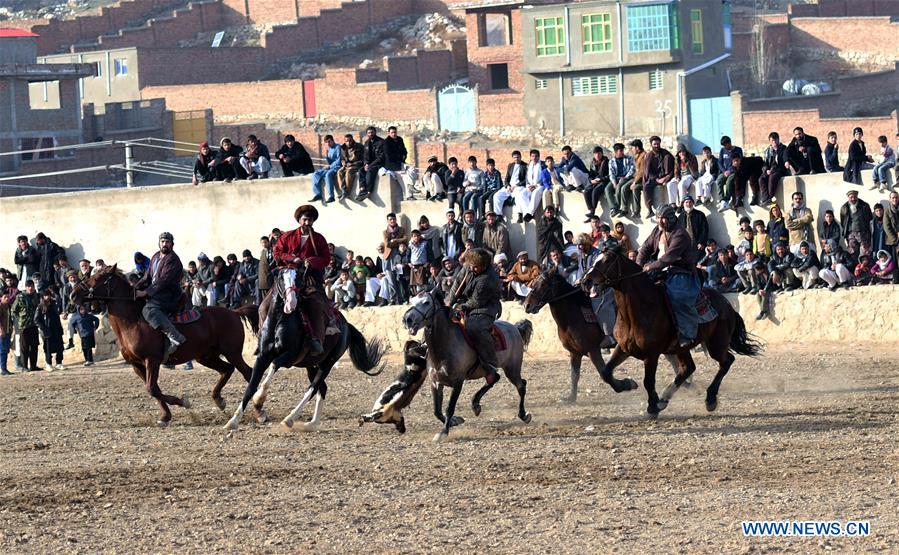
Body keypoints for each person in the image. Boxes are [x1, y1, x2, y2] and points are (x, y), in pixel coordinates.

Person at [636, 205, 700, 347]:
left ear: (670, 218)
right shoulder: (657, 230)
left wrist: (649, 267)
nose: (660, 221)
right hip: (659, 270)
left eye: (663, 218)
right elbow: (645, 247)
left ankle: (687, 334)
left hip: (680, 271)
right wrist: (638, 264)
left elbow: (669, 257)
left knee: (677, 297)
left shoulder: (680, 234)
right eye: (658, 218)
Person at [272, 205, 332, 355]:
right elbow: (277, 252)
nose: (307, 223)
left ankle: (318, 336)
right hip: (288, 274)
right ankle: (264, 335)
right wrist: (293, 258)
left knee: (317, 302)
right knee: (268, 303)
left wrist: (311, 261)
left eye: (310, 220)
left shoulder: (319, 239)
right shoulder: (287, 236)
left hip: (309, 277)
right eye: (304, 219)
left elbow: (326, 258)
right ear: (299, 220)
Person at [446, 248, 502, 385]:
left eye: (475, 267)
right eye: (470, 265)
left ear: (484, 266)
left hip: (485, 307)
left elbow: (476, 301)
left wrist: (460, 308)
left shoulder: (488, 278)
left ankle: (490, 364)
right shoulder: (468, 266)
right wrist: (448, 303)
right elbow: (457, 284)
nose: (471, 268)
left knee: (474, 328)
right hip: (464, 303)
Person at [134, 232, 187, 357]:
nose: (165, 244)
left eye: (167, 242)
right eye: (162, 241)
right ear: (159, 243)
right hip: (157, 293)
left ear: (172, 244)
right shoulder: (155, 256)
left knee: (149, 309)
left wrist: (145, 292)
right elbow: (148, 276)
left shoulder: (173, 260)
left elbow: (163, 281)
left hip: (169, 295)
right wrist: (135, 288)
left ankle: (175, 336)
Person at [642, 136, 675, 219]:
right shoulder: (649, 155)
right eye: (654, 144)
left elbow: (673, 168)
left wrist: (667, 177)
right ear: (651, 145)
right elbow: (647, 172)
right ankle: (650, 209)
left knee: (667, 158)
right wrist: (657, 179)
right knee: (646, 186)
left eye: (658, 144)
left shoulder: (665, 153)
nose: (656, 145)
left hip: (666, 177)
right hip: (655, 179)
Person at [11, 279, 40, 371]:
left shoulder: (37, 296)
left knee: (34, 346)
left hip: (34, 324)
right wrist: (20, 319)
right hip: (24, 326)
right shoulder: (20, 297)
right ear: (26, 287)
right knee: (25, 347)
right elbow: (14, 310)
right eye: (28, 286)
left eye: (32, 286)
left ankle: (33, 366)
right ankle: (24, 366)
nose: (30, 288)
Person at [515, 149, 549, 223]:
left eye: (536, 156)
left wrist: (536, 185)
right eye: (533, 156)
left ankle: (530, 213)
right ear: (530, 157)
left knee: (535, 194)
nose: (534, 158)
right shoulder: (529, 165)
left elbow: (545, 177)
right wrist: (528, 185)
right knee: (522, 194)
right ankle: (528, 212)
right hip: (530, 186)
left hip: (540, 186)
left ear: (539, 157)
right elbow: (527, 177)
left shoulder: (543, 165)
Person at [35, 288, 65, 370]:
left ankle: (59, 363)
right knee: (48, 348)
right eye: (45, 295)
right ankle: (48, 364)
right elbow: (37, 320)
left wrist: (60, 327)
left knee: (60, 346)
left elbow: (57, 316)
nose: (47, 297)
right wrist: (44, 329)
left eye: (48, 295)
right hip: (47, 330)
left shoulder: (54, 304)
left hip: (56, 328)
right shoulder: (40, 306)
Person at [491, 151, 527, 216]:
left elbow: (526, 180)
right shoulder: (510, 165)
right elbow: (506, 178)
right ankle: (498, 215)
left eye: (518, 157)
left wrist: (516, 186)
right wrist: (508, 186)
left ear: (521, 157)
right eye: (514, 157)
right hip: (509, 187)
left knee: (519, 196)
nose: (516, 159)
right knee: (497, 196)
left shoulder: (525, 166)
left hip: (519, 187)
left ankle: (520, 214)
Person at [840, 190, 873, 256]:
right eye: (851, 197)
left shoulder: (864, 205)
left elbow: (870, 218)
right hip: (851, 234)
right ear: (848, 197)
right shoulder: (844, 207)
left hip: (863, 233)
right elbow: (843, 221)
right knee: (853, 253)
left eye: (855, 197)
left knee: (865, 253)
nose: (853, 199)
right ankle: (854, 266)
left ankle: (864, 266)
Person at [607, 143, 636, 218]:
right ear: (616, 152)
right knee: (607, 189)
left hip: (627, 178)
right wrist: (613, 182)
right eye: (621, 151)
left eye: (623, 150)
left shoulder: (629, 158)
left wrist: (625, 177)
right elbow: (611, 173)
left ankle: (617, 206)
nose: (623, 152)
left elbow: (632, 169)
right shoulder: (611, 161)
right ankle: (613, 207)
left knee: (620, 186)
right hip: (616, 178)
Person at [758, 131, 787, 206]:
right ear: (770, 141)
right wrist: (766, 170)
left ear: (778, 139)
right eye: (772, 140)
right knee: (761, 179)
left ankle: (770, 197)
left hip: (779, 170)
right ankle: (765, 198)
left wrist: (786, 161)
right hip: (769, 170)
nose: (774, 142)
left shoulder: (783, 148)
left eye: (775, 140)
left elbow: (784, 159)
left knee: (772, 177)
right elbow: (765, 163)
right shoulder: (768, 151)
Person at [310, 135, 341, 204]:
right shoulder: (329, 150)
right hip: (330, 167)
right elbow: (330, 162)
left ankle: (331, 196)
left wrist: (330, 166)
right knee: (315, 174)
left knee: (328, 175)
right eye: (326, 142)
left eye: (329, 141)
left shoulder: (338, 147)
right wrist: (327, 157)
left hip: (337, 167)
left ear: (333, 140)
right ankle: (317, 194)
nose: (328, 144)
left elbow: (339, 161)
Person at [715, 136, 743, 212]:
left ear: (729, 143)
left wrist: (730, 171)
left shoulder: (738, 150)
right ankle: (722, 200)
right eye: (723, 146)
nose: (725, 147)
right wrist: (724, 171)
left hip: (735, 171)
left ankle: (726, 200)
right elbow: (719, 162)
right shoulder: (722, 150)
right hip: (725, 172)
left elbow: (739, 163)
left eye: (726, 145)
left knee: (729, 182)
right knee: (719, 180)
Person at [583, 146, 610, 221]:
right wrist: (592, 180)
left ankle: (592, 212)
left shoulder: (607, 162)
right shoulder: (593, 163)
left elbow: (609, 175)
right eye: (595, 154)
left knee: (595, 192)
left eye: (599, 153)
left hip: (604, 182)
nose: (597, 155)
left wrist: (601, 179)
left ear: (602, 154)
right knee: (586, 192)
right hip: (595, 181)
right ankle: (590, 210)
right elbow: (590, 174)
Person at [360, 126, 385, 202]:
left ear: (375, 132)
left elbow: (381, 157)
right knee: (361, 170)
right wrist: (366, 164)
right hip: (370, 164)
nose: (370, 134)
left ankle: (369, 191)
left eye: (372, 132)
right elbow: (365, 156)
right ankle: (362, 189)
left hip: (379, 164)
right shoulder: (366, 143)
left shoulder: (381, 142)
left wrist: (370, 165)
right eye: (369, 133)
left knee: (370, 171)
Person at [337, 134, 364, 200]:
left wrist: (353, 164)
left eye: (350, 141)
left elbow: (363, 159)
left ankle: (347, 192)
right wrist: (343, 163)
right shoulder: (343, 147)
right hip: (347, 165)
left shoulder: (359, 146)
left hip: (356, 165)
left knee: (349, 172)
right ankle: (343, 191)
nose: (348, 143)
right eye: (346, 141)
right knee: (339, 172)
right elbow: (342, 158)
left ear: (352, 140)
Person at [884, 192, 899, 280]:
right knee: (895, 261)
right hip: (893, 241)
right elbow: (887, 227)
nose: (895, 199)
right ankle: (896, 279)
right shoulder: (887, 211)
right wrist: (896, 239)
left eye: (896, 197)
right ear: (890, 199)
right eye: (893, 198)